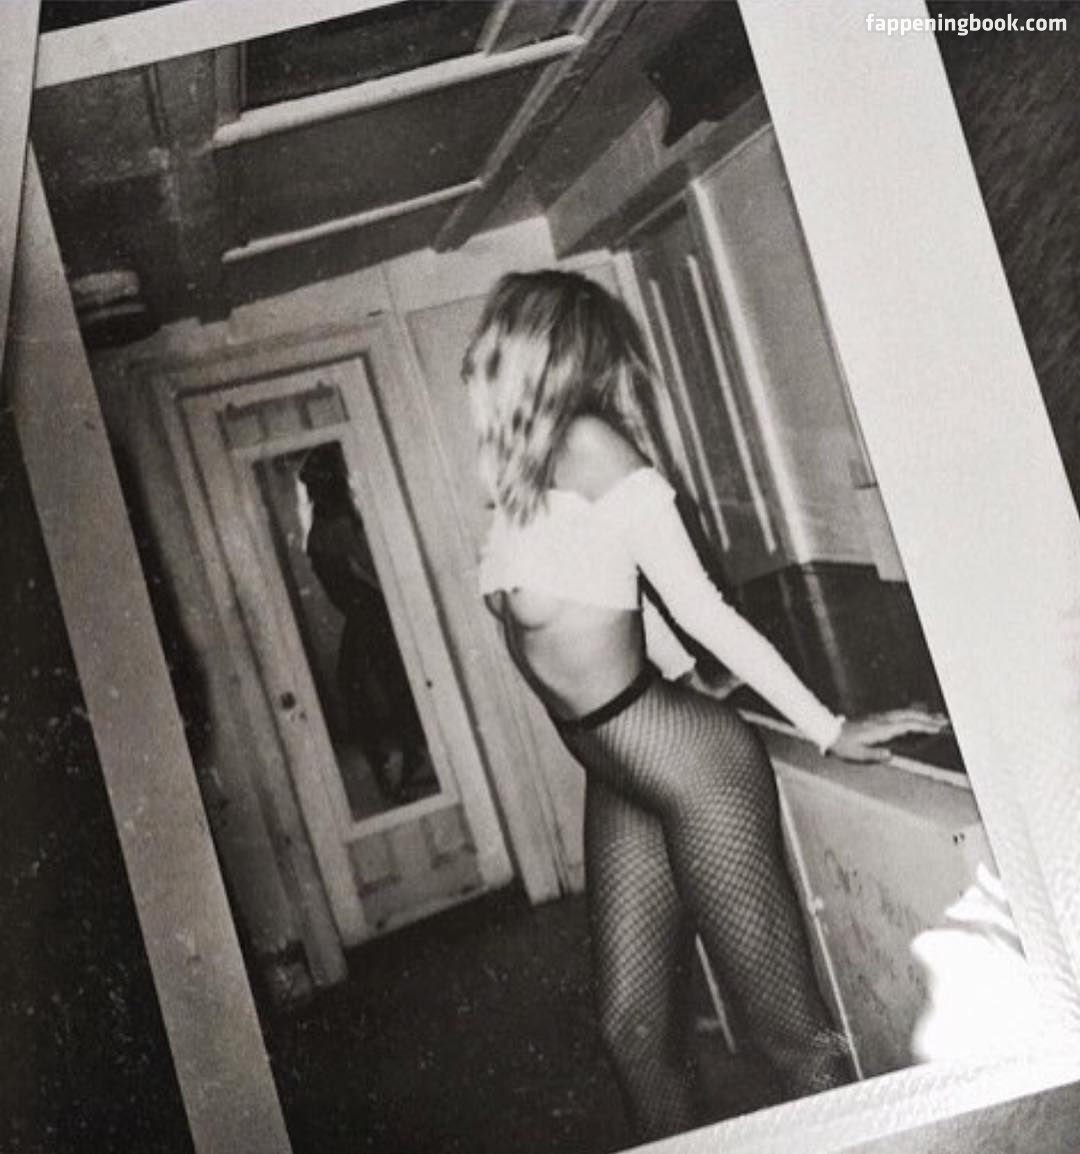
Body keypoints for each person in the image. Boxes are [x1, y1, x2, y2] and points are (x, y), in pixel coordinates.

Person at [461, 270, 946, 1139]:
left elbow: (702, 606)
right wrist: (684, 668)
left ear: (531, 351)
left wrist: (829, 728)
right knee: (632, 1033)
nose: (480, 358)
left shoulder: (595, 447)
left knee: (794, 1038)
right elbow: (618, 591)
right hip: (619, 766)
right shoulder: (522, 473)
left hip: (689, 765)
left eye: (495, 343)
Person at [299, 445, 434, 804]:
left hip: (368, 613)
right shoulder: (330, 522)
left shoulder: (339, 524)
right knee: (377, 686)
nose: (311, 491)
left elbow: (370, 571)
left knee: (380, 686)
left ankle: (410, 757)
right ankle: (409, 756)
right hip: (362, 614)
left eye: (314, 484)